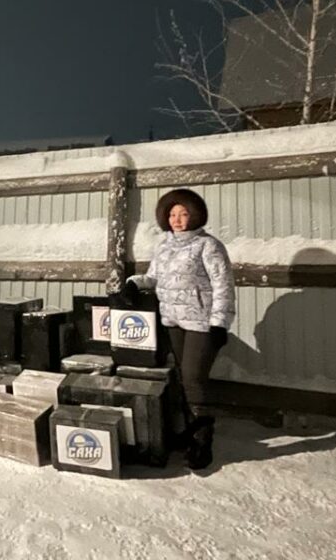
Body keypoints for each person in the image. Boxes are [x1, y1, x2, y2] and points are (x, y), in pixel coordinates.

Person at [125, 188, 235, 470]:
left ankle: (202, 440)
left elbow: (223, 285)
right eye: (172, 214)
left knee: (194, 377)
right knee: (180, 378)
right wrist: (133, 283)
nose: (177, 219)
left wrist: (219, 323)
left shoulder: (208, 246)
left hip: (202, 323)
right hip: (172, 320)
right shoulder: (164, 245)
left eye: (183, 213)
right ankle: (186, 430)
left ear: (195, 215)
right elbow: (154, 278)